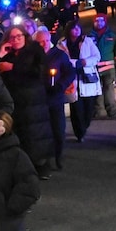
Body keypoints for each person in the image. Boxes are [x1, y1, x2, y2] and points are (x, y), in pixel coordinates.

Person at [0, 25, 54, 179]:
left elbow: (39, 71)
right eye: (12, 37)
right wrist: (0, 54)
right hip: (15, 99)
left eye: (19, 36)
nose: (15, 40)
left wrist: (13, 67)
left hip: (34, 99)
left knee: (36, 134)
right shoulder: (6, 53)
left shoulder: (34, 50)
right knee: (20, 134)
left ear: (25, 36)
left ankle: (41, 165)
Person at [33, 29, 75, 170]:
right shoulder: (33, 56)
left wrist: (61, 85)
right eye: (40, 42)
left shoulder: (59, 54)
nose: (43, 44)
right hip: (39, 100)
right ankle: (46, 159)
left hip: (55, 98)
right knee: (43, 132)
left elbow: (70, 72)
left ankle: (59, 156)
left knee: (58, 129)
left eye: (45, 41)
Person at [57, 20, 102, 142]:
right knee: (76, 109)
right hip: (71, 79)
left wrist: (85, 62)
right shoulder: (62, 44)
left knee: (88, 108)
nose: (76, 30)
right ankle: (79, 133)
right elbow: (58, 59)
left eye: (78, 28)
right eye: (73, 28)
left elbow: (97, 56)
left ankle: (84, 126)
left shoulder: (87, 41)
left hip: (86, 78)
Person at [90, 13, 116, 118]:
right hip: (95, 69)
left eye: (101, 21)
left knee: (109, 91)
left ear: (105, 22)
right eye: (97, 21)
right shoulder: (90, 37)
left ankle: (112, 111)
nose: (99, 23)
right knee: (97, 91)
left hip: (108, 70)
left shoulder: (112, 37)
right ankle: (98, 112)